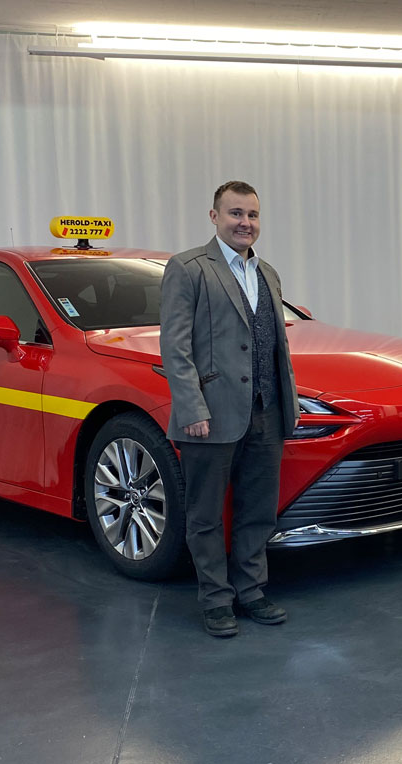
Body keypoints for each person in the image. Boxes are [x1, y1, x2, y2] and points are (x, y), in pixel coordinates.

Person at [160, 180, 299, 637]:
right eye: (236, 213)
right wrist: (191, 407)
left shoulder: (267, 273)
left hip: (267, 411)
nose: (246, 223)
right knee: (204, 515)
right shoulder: (188, 268)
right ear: (214, 216)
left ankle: (251, 591)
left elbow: (274, 345)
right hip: (211, 414)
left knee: (258, 511)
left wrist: (288, 406)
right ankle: (216, 600)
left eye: (252, 215)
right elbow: (175, 346)